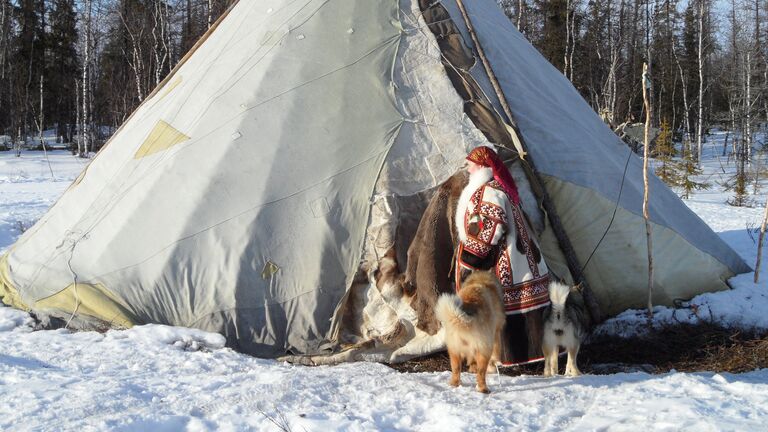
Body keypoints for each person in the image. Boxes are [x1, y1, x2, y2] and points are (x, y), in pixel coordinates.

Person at [454, 145, 551, 366]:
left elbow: (488, 228)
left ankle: (513, 357)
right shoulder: (501, 187)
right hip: (524, 261)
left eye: (470, 164)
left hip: (507, 263)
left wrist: (471, 259)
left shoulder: (488, 191)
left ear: (480, 165)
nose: (468, 169)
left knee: (506, 306)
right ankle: (533, 355)